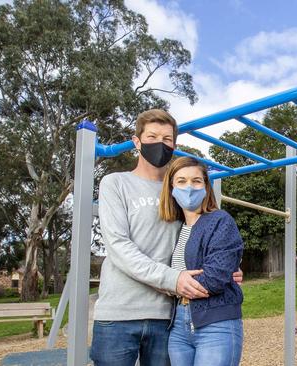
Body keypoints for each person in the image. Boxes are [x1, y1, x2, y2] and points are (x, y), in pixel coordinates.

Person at [91, 109, 242, 366]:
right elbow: (118, 245)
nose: (160, 143)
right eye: (152, 136)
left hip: (167, 315)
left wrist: (227, 269)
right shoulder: (115, 183)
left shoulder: (178, 193)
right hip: (119, 311)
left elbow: (199, 240)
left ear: (174, 144)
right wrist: (174, 279)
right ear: (137, 142)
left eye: (168, 139)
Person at [159, 157, 244, 366]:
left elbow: (214, 279)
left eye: (196, 181)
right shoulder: (175, 228)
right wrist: (172, 281)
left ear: (206, 186)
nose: (189, 187)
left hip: (216, 323)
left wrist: (168, 283)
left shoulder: (220, 220)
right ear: (171, 187)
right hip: (178, 324)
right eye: (181, 181)